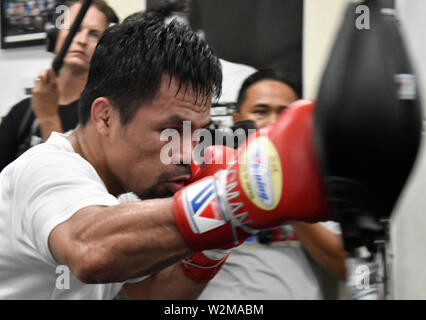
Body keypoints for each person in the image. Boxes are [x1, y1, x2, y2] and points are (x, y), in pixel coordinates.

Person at [0, 10, 331, 299]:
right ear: (105, 117)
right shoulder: (48, 168)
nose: (189, 154)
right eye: (170, 130)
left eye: (197, 134)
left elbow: (152, 294)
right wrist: (235, 198)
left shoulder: (127, 194)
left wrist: (216, 243)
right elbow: (90, 251)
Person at [198, 69, 348, 300]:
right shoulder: (211, 172)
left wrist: (288, 196)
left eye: (285, 114)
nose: (273, 123)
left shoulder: (320, 183)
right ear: (238, 121)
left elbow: (345, 266)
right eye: (260, 111)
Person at [0, 0, 118, 172]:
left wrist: (48, 118)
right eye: (74, 30)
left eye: (94, 34)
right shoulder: (22, 112)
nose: (82, 40)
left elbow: (74, 181)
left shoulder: (104, 115)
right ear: (54, 35)